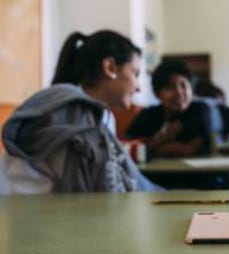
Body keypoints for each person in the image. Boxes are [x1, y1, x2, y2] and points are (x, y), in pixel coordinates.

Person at [0, 30, 163, 194]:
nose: (138, 87)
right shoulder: (75, 111)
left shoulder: (101, 115)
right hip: (24, 210)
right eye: (135, 73)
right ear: (110, 67)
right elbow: (86, 189)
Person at [125, 60, 212, 158]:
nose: (179, 93)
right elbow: (128, 145)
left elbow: (190, 150)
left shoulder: (199, 110)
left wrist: (153, 145)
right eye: (170, 87)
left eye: (183, 85)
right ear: (157, 94)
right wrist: (163, 138)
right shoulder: (148, 114)